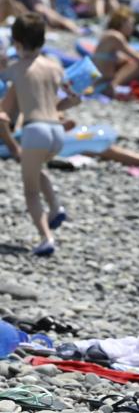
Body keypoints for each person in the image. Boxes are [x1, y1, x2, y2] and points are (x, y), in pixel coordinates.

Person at [0, 13, 80, 255]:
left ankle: (46, 238)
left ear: (17, 43)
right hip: (56, 132)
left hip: (35, 131)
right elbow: (71, 100)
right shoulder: (54, 66)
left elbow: (4, 87)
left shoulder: (17, 69)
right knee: (35, 168)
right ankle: (56, 207)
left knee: (30, 191)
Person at [93, 6, 139, 94]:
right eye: (131, 23)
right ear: (122, 22)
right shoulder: (115, 36)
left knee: (138, 60)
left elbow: (124, 58)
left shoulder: (109, 35)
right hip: (102, 84)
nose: (132, 28)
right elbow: (138, 58)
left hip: (99, 82)